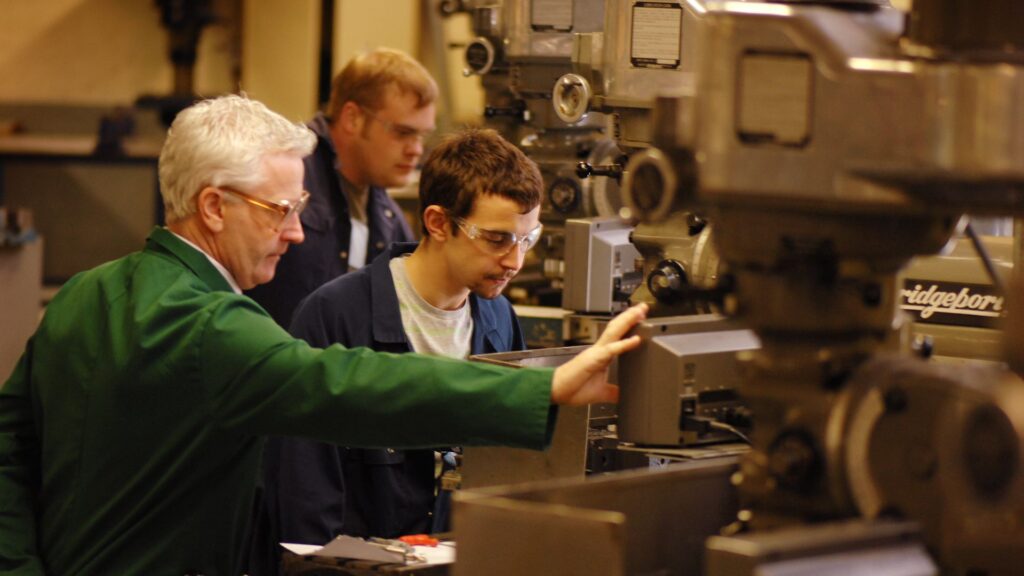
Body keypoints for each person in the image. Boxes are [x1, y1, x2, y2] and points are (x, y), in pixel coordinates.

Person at [0, 94, 648, 576]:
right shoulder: (212, 328)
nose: (297, 233)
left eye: (301, 210)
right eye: (280, 210)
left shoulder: (85, 294)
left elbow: (9, 453)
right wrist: (544, 390)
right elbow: (349, 387)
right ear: (212, 206)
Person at [252, 128, 543, 572]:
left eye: (527, 239)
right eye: (497, 239)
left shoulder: (499, 321)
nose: (515, 261)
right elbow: (304, 501)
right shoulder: (334, 317)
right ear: (438, 222)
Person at [245, 47, 434, 328]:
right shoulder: (285, 176)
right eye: (403, 133)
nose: (416, 150)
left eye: (421, 136)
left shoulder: (387, 214)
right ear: (352, 118)